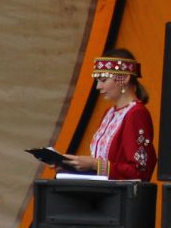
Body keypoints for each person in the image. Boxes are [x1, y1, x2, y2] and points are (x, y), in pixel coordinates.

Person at [61, 49, 155, 179]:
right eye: (97, 81)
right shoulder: (110, 113)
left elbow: (140, 170)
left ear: (125, 78)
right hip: (104, 193)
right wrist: (70, 164)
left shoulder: (136, 114)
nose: (98, 86)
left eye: (103, 80)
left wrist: (95, 164)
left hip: (119, 196)